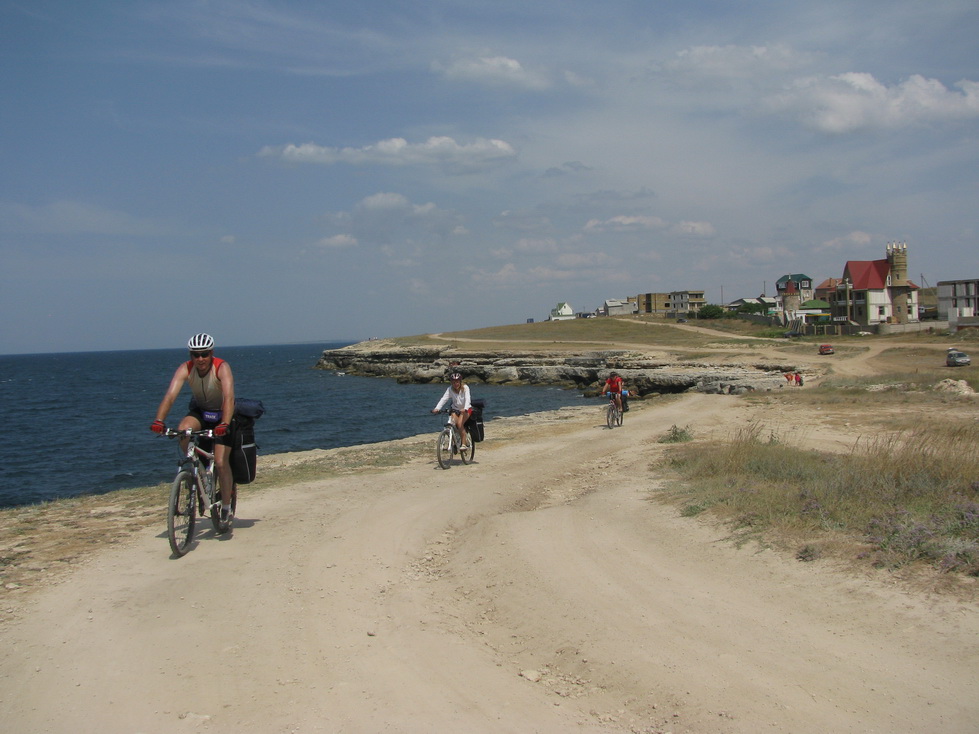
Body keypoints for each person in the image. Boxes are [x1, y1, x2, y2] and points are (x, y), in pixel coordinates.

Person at [150, 333, 236, 523]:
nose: (200, 359)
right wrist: (159, 420)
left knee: (220, 462)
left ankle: (226, 506)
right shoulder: (186, 368)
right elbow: (170, 396)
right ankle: (199, 471)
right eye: (195, 355)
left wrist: (224, 423)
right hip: (202, 412)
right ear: (191, 356)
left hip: (223, 414)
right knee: (183, 430)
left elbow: (229, 397)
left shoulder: (221, 367)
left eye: (204, 354)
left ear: (211, 353)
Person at [431, 372, 472, 450]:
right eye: (453, 382)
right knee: (452, 424)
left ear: (460, 382)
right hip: (455, 409)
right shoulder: (450, 389)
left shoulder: (465, 388)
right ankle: (454, 441)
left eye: (457, 382)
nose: (455, 384)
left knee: (459, 424)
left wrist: (465, 408)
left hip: (466, 410)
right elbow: (444, 399)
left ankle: (464, 443)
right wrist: (437, 408)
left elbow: (468, 399)